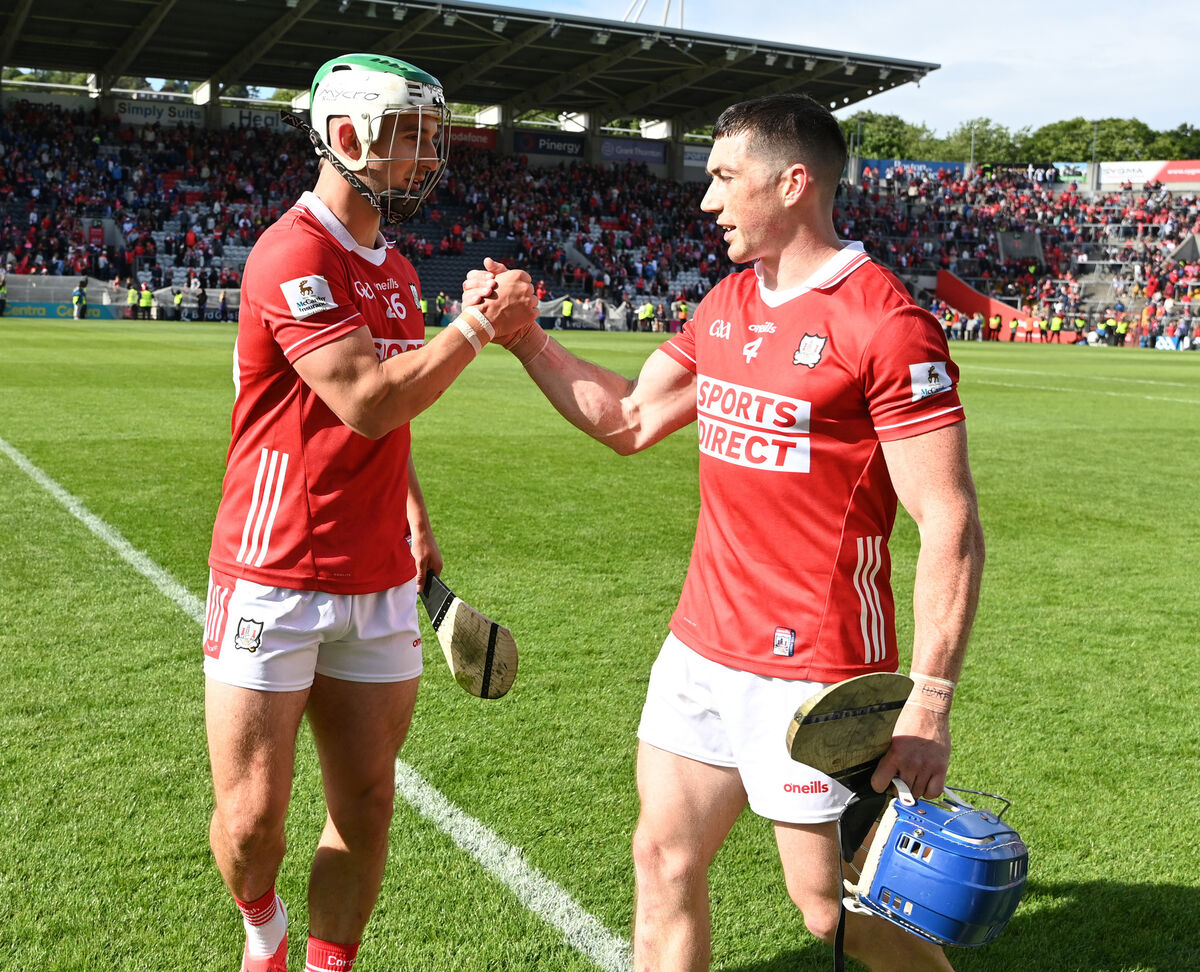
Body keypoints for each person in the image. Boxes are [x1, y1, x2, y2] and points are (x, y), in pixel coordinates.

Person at [475, 93, 984, 971]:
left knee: (829, 908)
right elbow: (631, 417)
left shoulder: (886, 324)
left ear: (792, 184)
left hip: (816, 672)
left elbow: (950, 523)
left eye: (722, 178)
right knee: (662, 858)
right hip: (700, 649)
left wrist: (929, 702)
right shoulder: (724, 304)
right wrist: (527, 341)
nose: (706, 201)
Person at [202, 53, 535, 972]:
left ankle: (321, 965)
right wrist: (477, 328)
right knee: (253, 819)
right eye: (410, 138)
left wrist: (416, 510)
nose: (429, 156)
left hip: (380, 575)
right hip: (274, 567)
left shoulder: (393, 262)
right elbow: (367, 399)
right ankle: (262, 929)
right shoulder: (292, 253)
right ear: (346, 139)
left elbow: (394, 422)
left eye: (433, 136)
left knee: (368, 801)